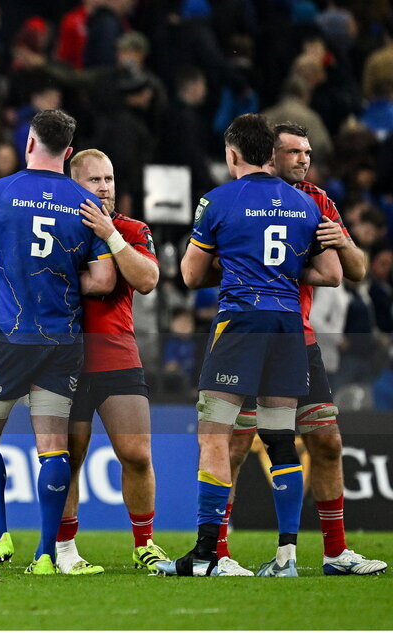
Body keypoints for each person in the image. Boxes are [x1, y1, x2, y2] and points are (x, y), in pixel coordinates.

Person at [157, 114, 341, 577]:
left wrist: (239, 262)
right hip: (287, 327)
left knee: (215, 434)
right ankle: (287, 558)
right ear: (271, 154)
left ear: (233, 154)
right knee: (281, 439)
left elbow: (192, 275)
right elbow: (327, 273)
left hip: (241, 321)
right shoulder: (306, 207)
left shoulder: (218, 199)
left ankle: (206, 555)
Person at [0, 109, 116, 574]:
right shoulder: (84, 202)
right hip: (62, 340)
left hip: (8, 336)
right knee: (52, 445)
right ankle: (46, 555)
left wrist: (11, 269)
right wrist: (58, 276)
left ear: (28, 143)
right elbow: (104, 280)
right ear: (68, 152)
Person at [222, 124, 387, 576]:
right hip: (250, 336)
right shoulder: (238, 198)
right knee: (234, 446)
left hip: (300, 340)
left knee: (327, 443)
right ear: (269, 157)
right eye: (294, 152)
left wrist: (340, 240)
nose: (304, 159)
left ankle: (335, 553)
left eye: (308, 152)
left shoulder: (317, 201)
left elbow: (350, 270)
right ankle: (219, 548)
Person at [51, 148, 167, 574]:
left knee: (136, 453)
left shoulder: (132, 229)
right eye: (94, 180)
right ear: (72, 186)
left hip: (117, 356)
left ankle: (145, 544)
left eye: (109, 179)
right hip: (64, 361)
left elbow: (148, 279)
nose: (104, 187)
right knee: (68, 458)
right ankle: (65, 550)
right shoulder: (56, 231)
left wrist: (109, 234)